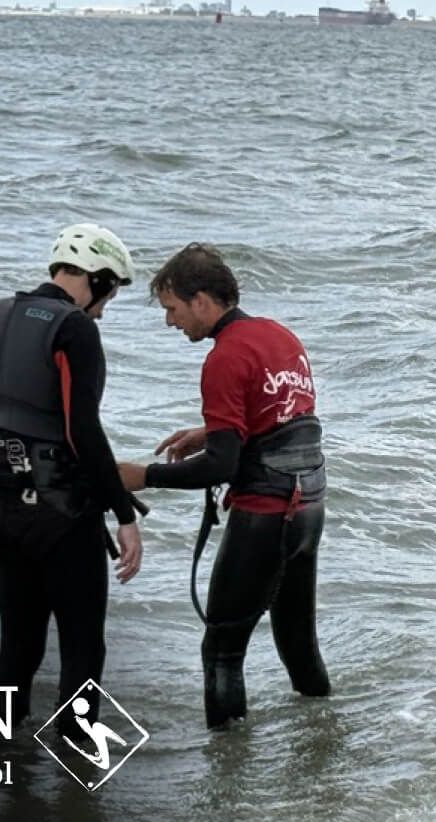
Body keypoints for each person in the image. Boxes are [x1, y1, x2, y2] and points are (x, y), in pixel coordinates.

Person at [119, 242, 328, 731]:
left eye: (172, 309)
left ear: (202, 302)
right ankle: (323, 745)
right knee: (298, 641)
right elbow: (283, 418)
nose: (171, 322)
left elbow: (219, 467)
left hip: (264, 514)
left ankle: (226, 779)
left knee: (222, 651)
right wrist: (210, 432)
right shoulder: (280, 336)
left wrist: (143, 477)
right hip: (309, 508)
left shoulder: (224, 357)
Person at [0, 222, 143, 736]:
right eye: (111, 292)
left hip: (6, 511)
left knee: (18, 648)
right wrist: (124, 516)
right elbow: (82, 432)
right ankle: (79, 788)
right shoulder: (75, 329)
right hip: (64, 517)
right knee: (82, 649)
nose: (106, 306)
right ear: (98, 279)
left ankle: (4, 777)